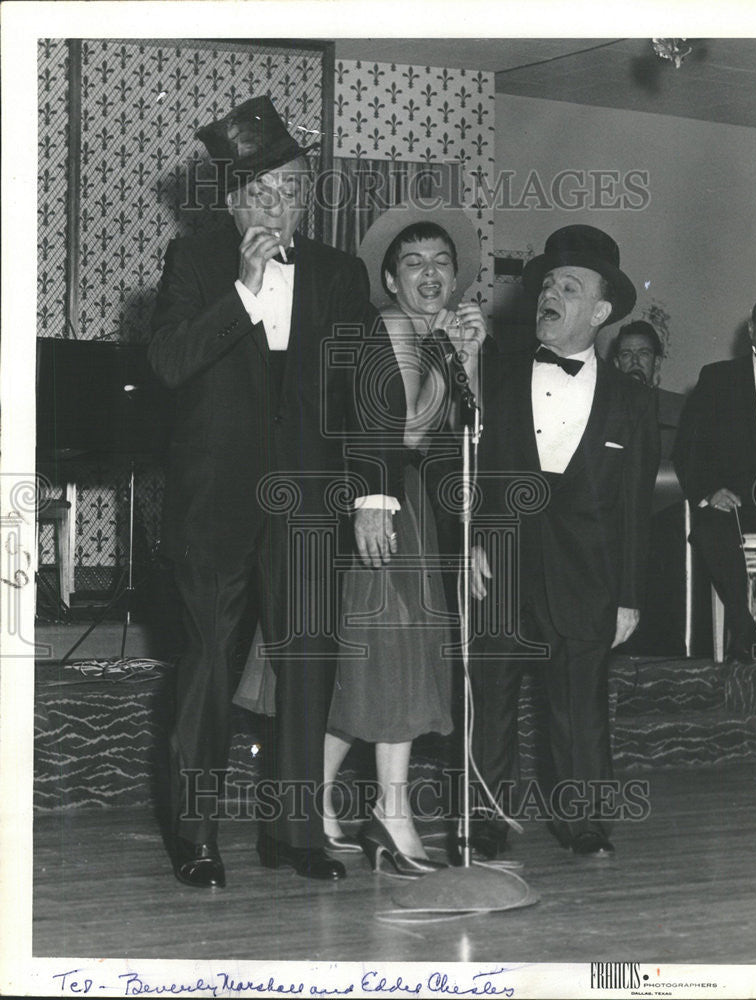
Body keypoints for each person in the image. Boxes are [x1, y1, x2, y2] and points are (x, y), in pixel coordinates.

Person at [148, 94, 405, 887]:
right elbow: (167, 364)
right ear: (232, 200)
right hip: (214, 510)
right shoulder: (195, 263)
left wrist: (372, 494)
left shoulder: (338, 272)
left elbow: (372, 387)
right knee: (207, 674)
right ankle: (195, 837)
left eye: (292, 188)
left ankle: (294, 835)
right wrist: (246, 291)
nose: (279, 205)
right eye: (261, 191)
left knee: (306, 668)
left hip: (309, 508)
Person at [469, 225, 660, 859]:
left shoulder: (632, 402)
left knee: (580, 704)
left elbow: (636, 506)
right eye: (548, 283)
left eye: (570, 287)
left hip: (588, 576)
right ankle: (486, 820)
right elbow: (470, 470)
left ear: (601, 312)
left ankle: (582, 822)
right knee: (490, 698)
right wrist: (473, 542)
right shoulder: (495, 377)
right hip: (502, 566)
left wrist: (629, 596)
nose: (552, 293)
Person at [322, 204, 487, 876]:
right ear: (390, 280)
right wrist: (376, 505)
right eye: (413, 262)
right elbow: (381, 427)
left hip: (411, 506)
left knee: (371, 666)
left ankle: (317, 798)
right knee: (389, 660)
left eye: (441, 262)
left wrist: (469, 356)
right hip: (383, 503)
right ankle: (388, 814)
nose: (430, 272)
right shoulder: (392, 327)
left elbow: (469, 446)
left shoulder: (439, 338)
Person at [673, 298, 756, 664]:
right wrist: (710, 492)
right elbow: (687, 450)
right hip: (737, 504)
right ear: (752, 332)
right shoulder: (717, 378)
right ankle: (744, 628)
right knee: (710, 531)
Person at [611, 319, 663, 387]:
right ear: (617, 363)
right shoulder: (603, 397)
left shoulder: (669, 397)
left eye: (643, 353)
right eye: (626, 354)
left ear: (657, 361)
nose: (635, 360)